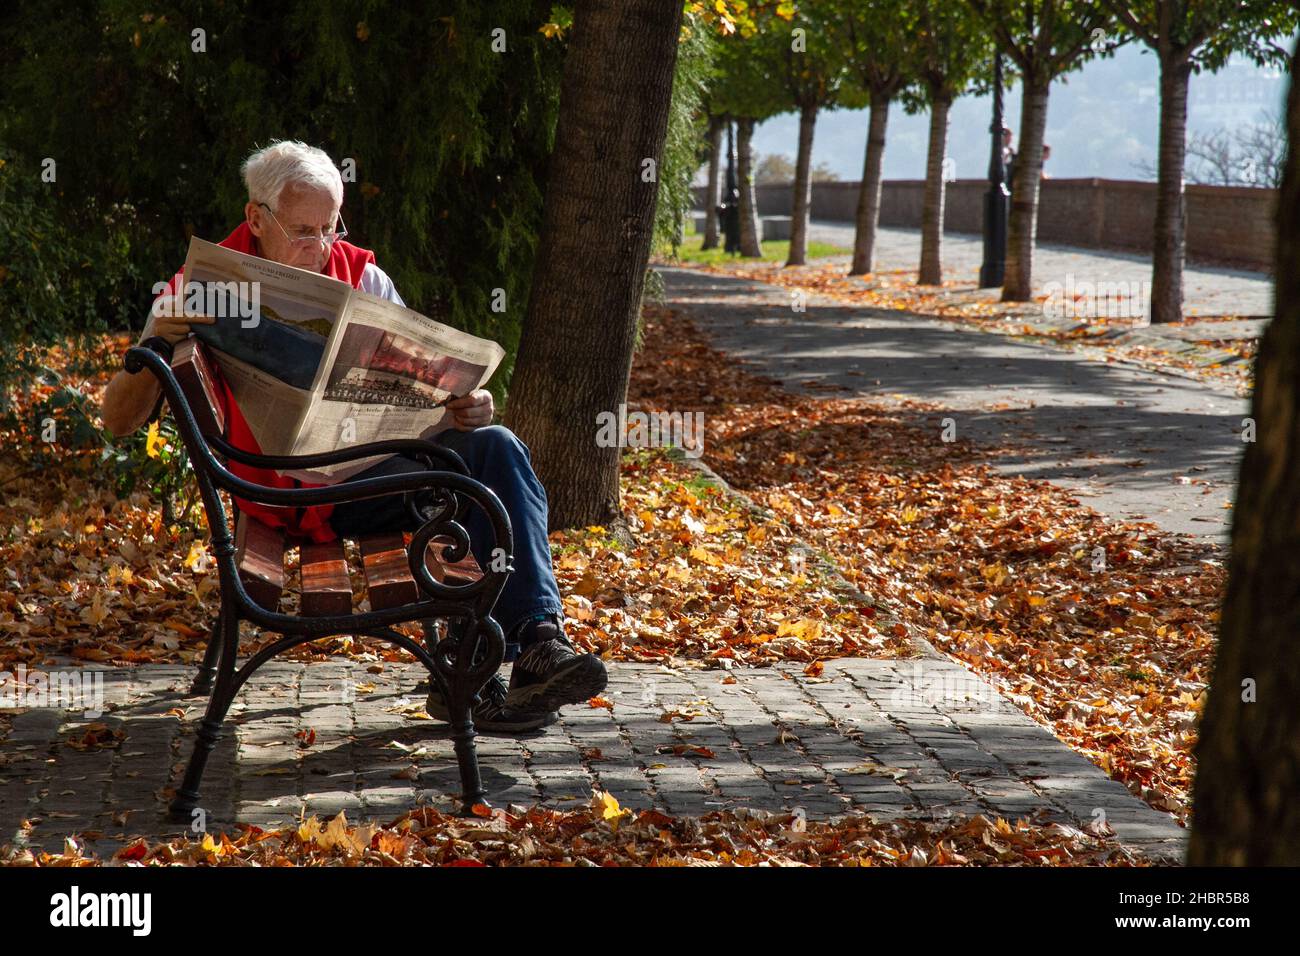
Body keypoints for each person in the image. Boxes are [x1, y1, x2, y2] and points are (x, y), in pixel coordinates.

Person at [100, 140, 607, 733]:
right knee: (453, 488)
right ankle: (467, 667)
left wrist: (463, 407)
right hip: (283, 493)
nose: (322, 249)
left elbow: (421, 390)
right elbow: (117, 420)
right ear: (256, 219)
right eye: (304, 232)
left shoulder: (363, 275)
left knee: (494, 447)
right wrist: (158, 337)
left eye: (330, 228)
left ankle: (536, 643)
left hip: (367, 473)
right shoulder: (203, 286)